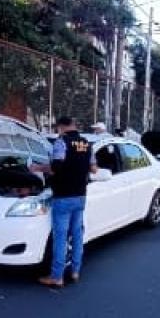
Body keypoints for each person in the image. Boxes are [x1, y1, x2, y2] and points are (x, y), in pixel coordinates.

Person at [31, 117, 97, 287]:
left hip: (63, 197)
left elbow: (55, 168)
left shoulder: (61, 142)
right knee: (76, 235)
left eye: (57, 128)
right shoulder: (87, 143)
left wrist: (37, 168)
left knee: (60, 238)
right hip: (80, 196)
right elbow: (94, 169)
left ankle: (57, 277)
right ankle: (75, 271)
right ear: (74, 126)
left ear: (61, 127)